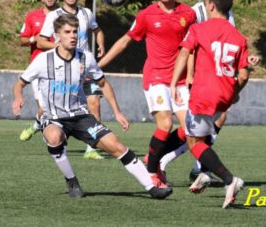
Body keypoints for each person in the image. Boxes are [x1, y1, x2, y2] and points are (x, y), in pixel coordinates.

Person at [12, 14, 172, 199]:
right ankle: (71, 180)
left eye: (75, 32)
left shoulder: (85, 58)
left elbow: (103, 83)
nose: (72, 36)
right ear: (57, 35)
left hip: (81, 117)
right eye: (67, 32)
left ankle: (151, 188)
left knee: (116, 145)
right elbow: (20, 83)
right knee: (54, 137)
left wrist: (117, 112)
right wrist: (18, 98)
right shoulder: (43, 60)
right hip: (54, 118)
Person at [98, 0, 196, 187]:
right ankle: (152, 172)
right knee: (165, 122)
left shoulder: (188, 14)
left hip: (178, 81)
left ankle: (154, 159)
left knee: (191, 128)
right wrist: (99, 65)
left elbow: (192, 48)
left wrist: (190, 75)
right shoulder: (146, 15)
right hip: (156, 77)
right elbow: (124, 41)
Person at [159, 0, 259, 180]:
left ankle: (198, 167)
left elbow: (226, 46)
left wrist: (244, 60)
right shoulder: (198, 11)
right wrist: (189, 76)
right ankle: (167, 161)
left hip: (215, 77)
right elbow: (190, 46)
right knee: (191, 128)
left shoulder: (226, 14)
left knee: (212, 122)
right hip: (197, 76)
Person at [170, 0, 249, 208]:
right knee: (203, 137)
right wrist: (234, 94)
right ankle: (204, 173)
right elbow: (243, 75)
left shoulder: (199, 29)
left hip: (204, 93)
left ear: (211, 5)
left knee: (193, 141)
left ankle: (229, 180)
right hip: (224, 95)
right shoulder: (239, 37)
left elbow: (184, 52)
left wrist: (175, 82)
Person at [37, 0, 106, 160]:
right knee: (59, 107)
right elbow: (40, 41)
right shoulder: (54, 16)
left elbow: (97, 30)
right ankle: (43, 125)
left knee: (95, 104)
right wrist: (59, 45)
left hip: (85, 68)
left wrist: (100, 44)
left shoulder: (86, 13)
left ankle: (92, 148)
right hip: (64, 69)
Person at [18, 0, 58, 141]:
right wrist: (36, 38)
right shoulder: (32, 16)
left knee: (54, 103)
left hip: (59, 65)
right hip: (39, 66)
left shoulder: (62, 16)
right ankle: (41, 127)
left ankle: (38, 126)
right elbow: (22, 40)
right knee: (44, 105)